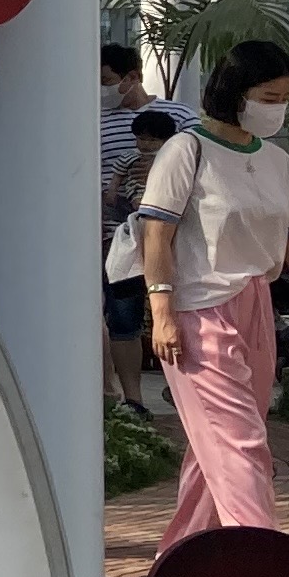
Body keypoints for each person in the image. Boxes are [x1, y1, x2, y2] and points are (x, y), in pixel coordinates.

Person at [139, 40, 289, 541]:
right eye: (268, 97)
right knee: (240, 443)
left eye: (285, 99)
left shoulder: (276, 161)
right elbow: (156, 235)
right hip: (197, 310)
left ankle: (183, 563)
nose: (278, 108)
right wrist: (162, 312)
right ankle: (263, 556)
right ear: (235, 92)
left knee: (215, 448)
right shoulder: (186, 150)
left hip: (257, 304)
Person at [104, 104, 180, 413]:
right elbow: (114, 189)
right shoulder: (130, 159)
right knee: (126, 317)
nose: (145, 144)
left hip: (168, 241)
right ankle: (133, 399)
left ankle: (182, 388)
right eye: (141, 138)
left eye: (151, 139)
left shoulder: (179, 159)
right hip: (129, 241)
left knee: (174, 315)